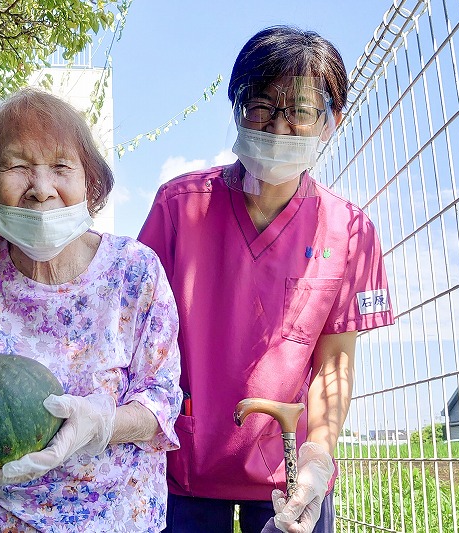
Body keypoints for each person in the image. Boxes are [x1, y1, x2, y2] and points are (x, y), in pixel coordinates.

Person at [138, 26, 394, 533]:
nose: (278, 128)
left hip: (289, 474)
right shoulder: (180, 207)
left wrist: (318, 461)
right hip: (182, 470)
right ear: (236, 111)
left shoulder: (349, 230)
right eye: (261, 106)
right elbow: (136, 334)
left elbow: (334, 364)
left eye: (299, 111)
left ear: (331, 122)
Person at [0, 88, 182, 532]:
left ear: (89, 181)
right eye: (16, 166)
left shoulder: (135, 272)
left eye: (61, 166)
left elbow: (162, 402)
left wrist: (103, 423)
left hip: (113, 519)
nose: (41, 189)